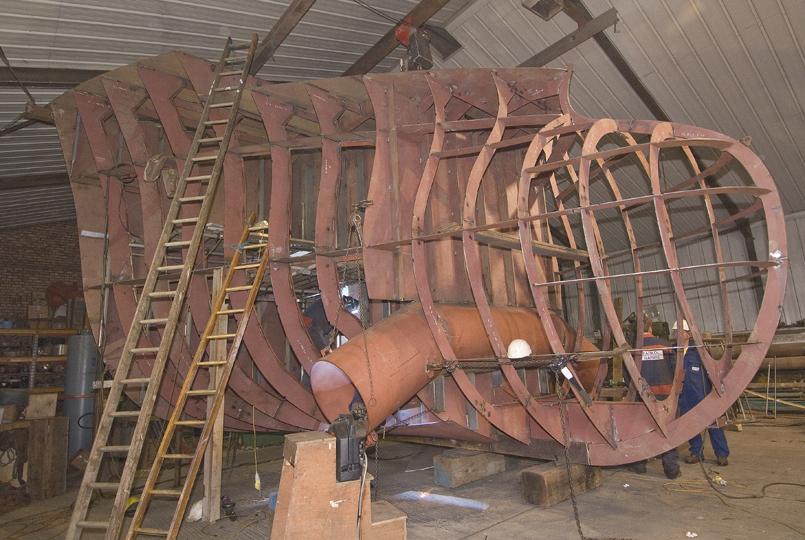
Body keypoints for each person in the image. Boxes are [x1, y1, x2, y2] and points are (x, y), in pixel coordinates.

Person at [629, 313, 681, 479]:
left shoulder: (633, 350)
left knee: (642, 430)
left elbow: (628, 374)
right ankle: (671, 469)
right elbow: (675, 369)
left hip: (643, 396)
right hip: (665, 395)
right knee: (666, 430)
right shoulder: (665, 345)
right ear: (650, 327)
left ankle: (639, 464)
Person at [674, 320, 730, 466]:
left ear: (688, 334)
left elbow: (713, 371)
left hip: (702, 393)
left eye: (680, 331)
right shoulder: (674, 351)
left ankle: (722, 454)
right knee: (689, 425)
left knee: (713, 424)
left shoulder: (699, 351)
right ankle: (696, 452)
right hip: (684, 395)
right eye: (675, 332)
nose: (677, 334)